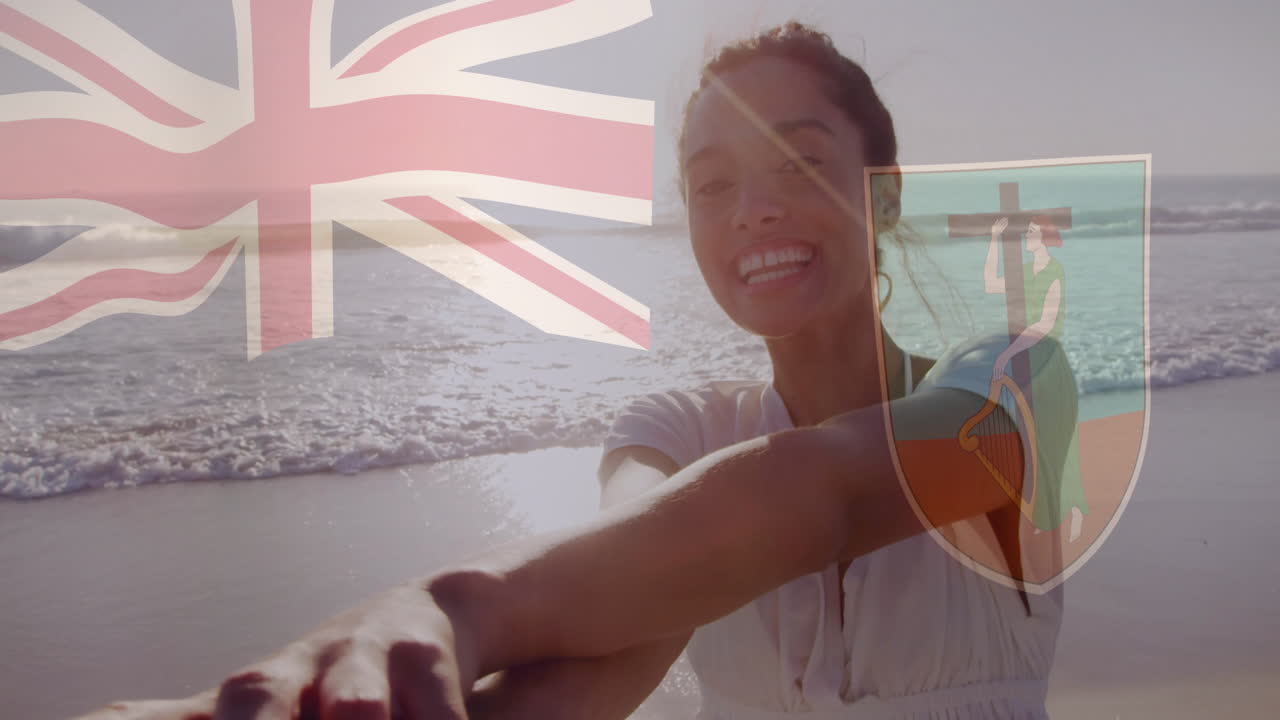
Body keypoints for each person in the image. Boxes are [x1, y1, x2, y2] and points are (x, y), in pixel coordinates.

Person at [85, 22, 1078, 720]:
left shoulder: (1019, 384)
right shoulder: (675, 431)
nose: (750, 212)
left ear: (886, 194)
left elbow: (816, 491)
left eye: (796, 164)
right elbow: (602, 640)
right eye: (709, 184)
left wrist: (454, 606)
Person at [986, 215, 1088, 543]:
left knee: (1050, 447)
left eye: (1030, 232)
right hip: (1023, 361)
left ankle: (1062, 519)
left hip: (1045, 366)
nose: (1026, 236)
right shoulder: (1026, 273)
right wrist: (993, 240)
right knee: (1026, 443)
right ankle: (1037, 519)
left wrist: (1007, 354)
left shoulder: (1054, 271)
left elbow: (1046, 322)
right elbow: (990, 284)